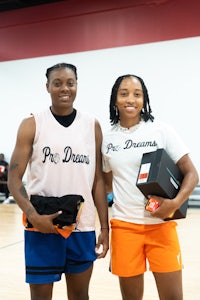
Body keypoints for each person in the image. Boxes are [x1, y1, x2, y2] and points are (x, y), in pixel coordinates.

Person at [8, 62, 109, 300]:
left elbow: (98, 181)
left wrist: (104, 227)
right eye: (58, 83)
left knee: (80, 296)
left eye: (70, 83)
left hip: (81, 228)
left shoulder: (92, 125)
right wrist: (33, 216)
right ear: (47, 87)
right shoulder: (32, 124)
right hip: (42, 226)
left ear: (77, 86)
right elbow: (14, 177)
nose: (65, 88)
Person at [102, 74, 199, 300]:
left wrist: (174, 203)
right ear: (115, 99)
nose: (131, 99)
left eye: (137, 94)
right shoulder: (107, 138)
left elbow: (192, 174)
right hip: (124, 228)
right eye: (124, 93)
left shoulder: (161, 130)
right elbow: (107, 186)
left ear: (144, 99)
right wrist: (104, 226)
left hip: (161, 226)